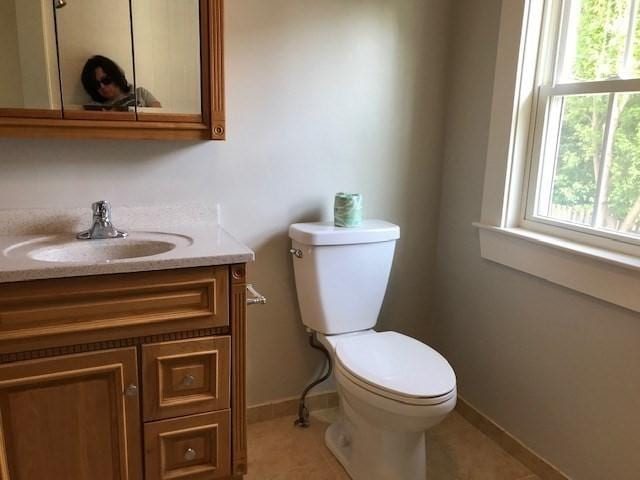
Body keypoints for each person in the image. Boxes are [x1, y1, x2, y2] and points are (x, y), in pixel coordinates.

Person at [81, 55, 161, 109]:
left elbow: (159, 116)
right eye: (96, 85)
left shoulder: (140, 93)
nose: (102, 87)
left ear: (115, 75)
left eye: (106, 80)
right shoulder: (97, 107)